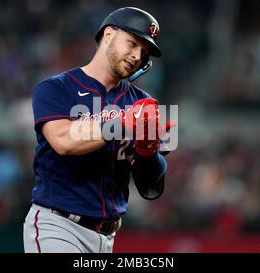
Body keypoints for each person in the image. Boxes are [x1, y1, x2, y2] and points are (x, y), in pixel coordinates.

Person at [23, 6, 175, 253]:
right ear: (109, 34)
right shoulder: (56, 88)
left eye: (145, 52)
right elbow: (63, 141)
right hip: (58, 226)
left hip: (107, 237)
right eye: (133, 43)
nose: (138, 56)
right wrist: (122, 123)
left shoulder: (143, 103)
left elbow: (150, 189)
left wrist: (148, 152)